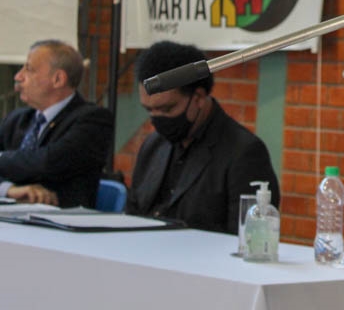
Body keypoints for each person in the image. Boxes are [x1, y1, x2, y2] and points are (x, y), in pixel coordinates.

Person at [126, 40, 280, 234]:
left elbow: (248, 237)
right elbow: (132, 215)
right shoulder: (152, 145)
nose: (156, 119)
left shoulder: (244, 153)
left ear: (198, 97)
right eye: (149, 110)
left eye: (167, 108)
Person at [0, 40, 113, 208]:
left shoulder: (93, 119)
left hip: (62, 222)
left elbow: (49, 161)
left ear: (58, 79)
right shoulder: (16, 119)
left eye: (29, 69)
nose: (18, 76)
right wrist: (8, 189)